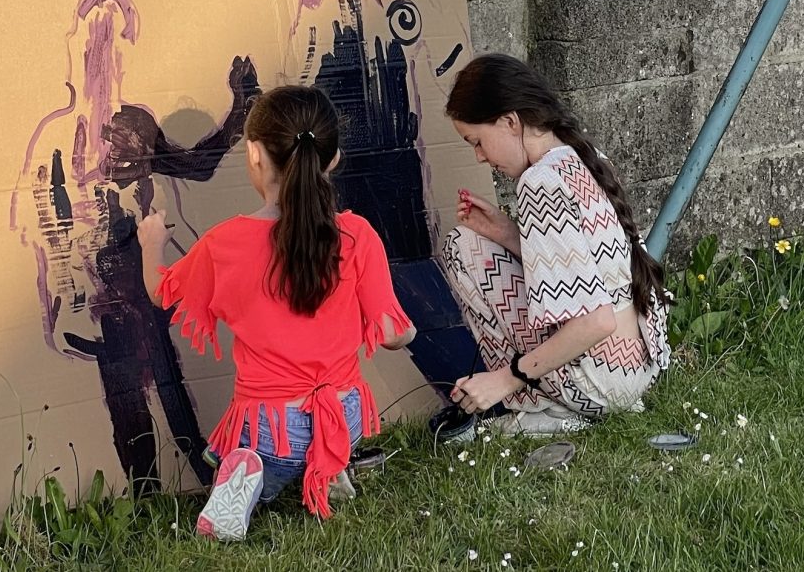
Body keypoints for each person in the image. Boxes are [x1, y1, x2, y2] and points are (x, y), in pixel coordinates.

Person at [138, 85, 416, 541]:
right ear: (333, 158)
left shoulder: (224, 243)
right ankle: (328, 464)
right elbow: (392, 333)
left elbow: (160, 292)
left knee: (231, 453)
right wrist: (409, 331)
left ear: (254, 154)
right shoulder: (358, 234)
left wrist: (152, 245)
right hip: (343, 415)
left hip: (273, 431)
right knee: (331, 412)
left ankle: (247, 480)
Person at [441, 54, 670, 436]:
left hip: (598, 386)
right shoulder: (583, 157)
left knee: (460, 247)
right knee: (476, 241)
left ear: (509, 121)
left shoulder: (540, 182)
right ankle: (562, 405)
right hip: (634, 373)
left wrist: (506, 378)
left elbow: (596, 320)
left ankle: (541, 409)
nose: (479, 157)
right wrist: (506, 233)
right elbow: (589, 271)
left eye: (477, 142)